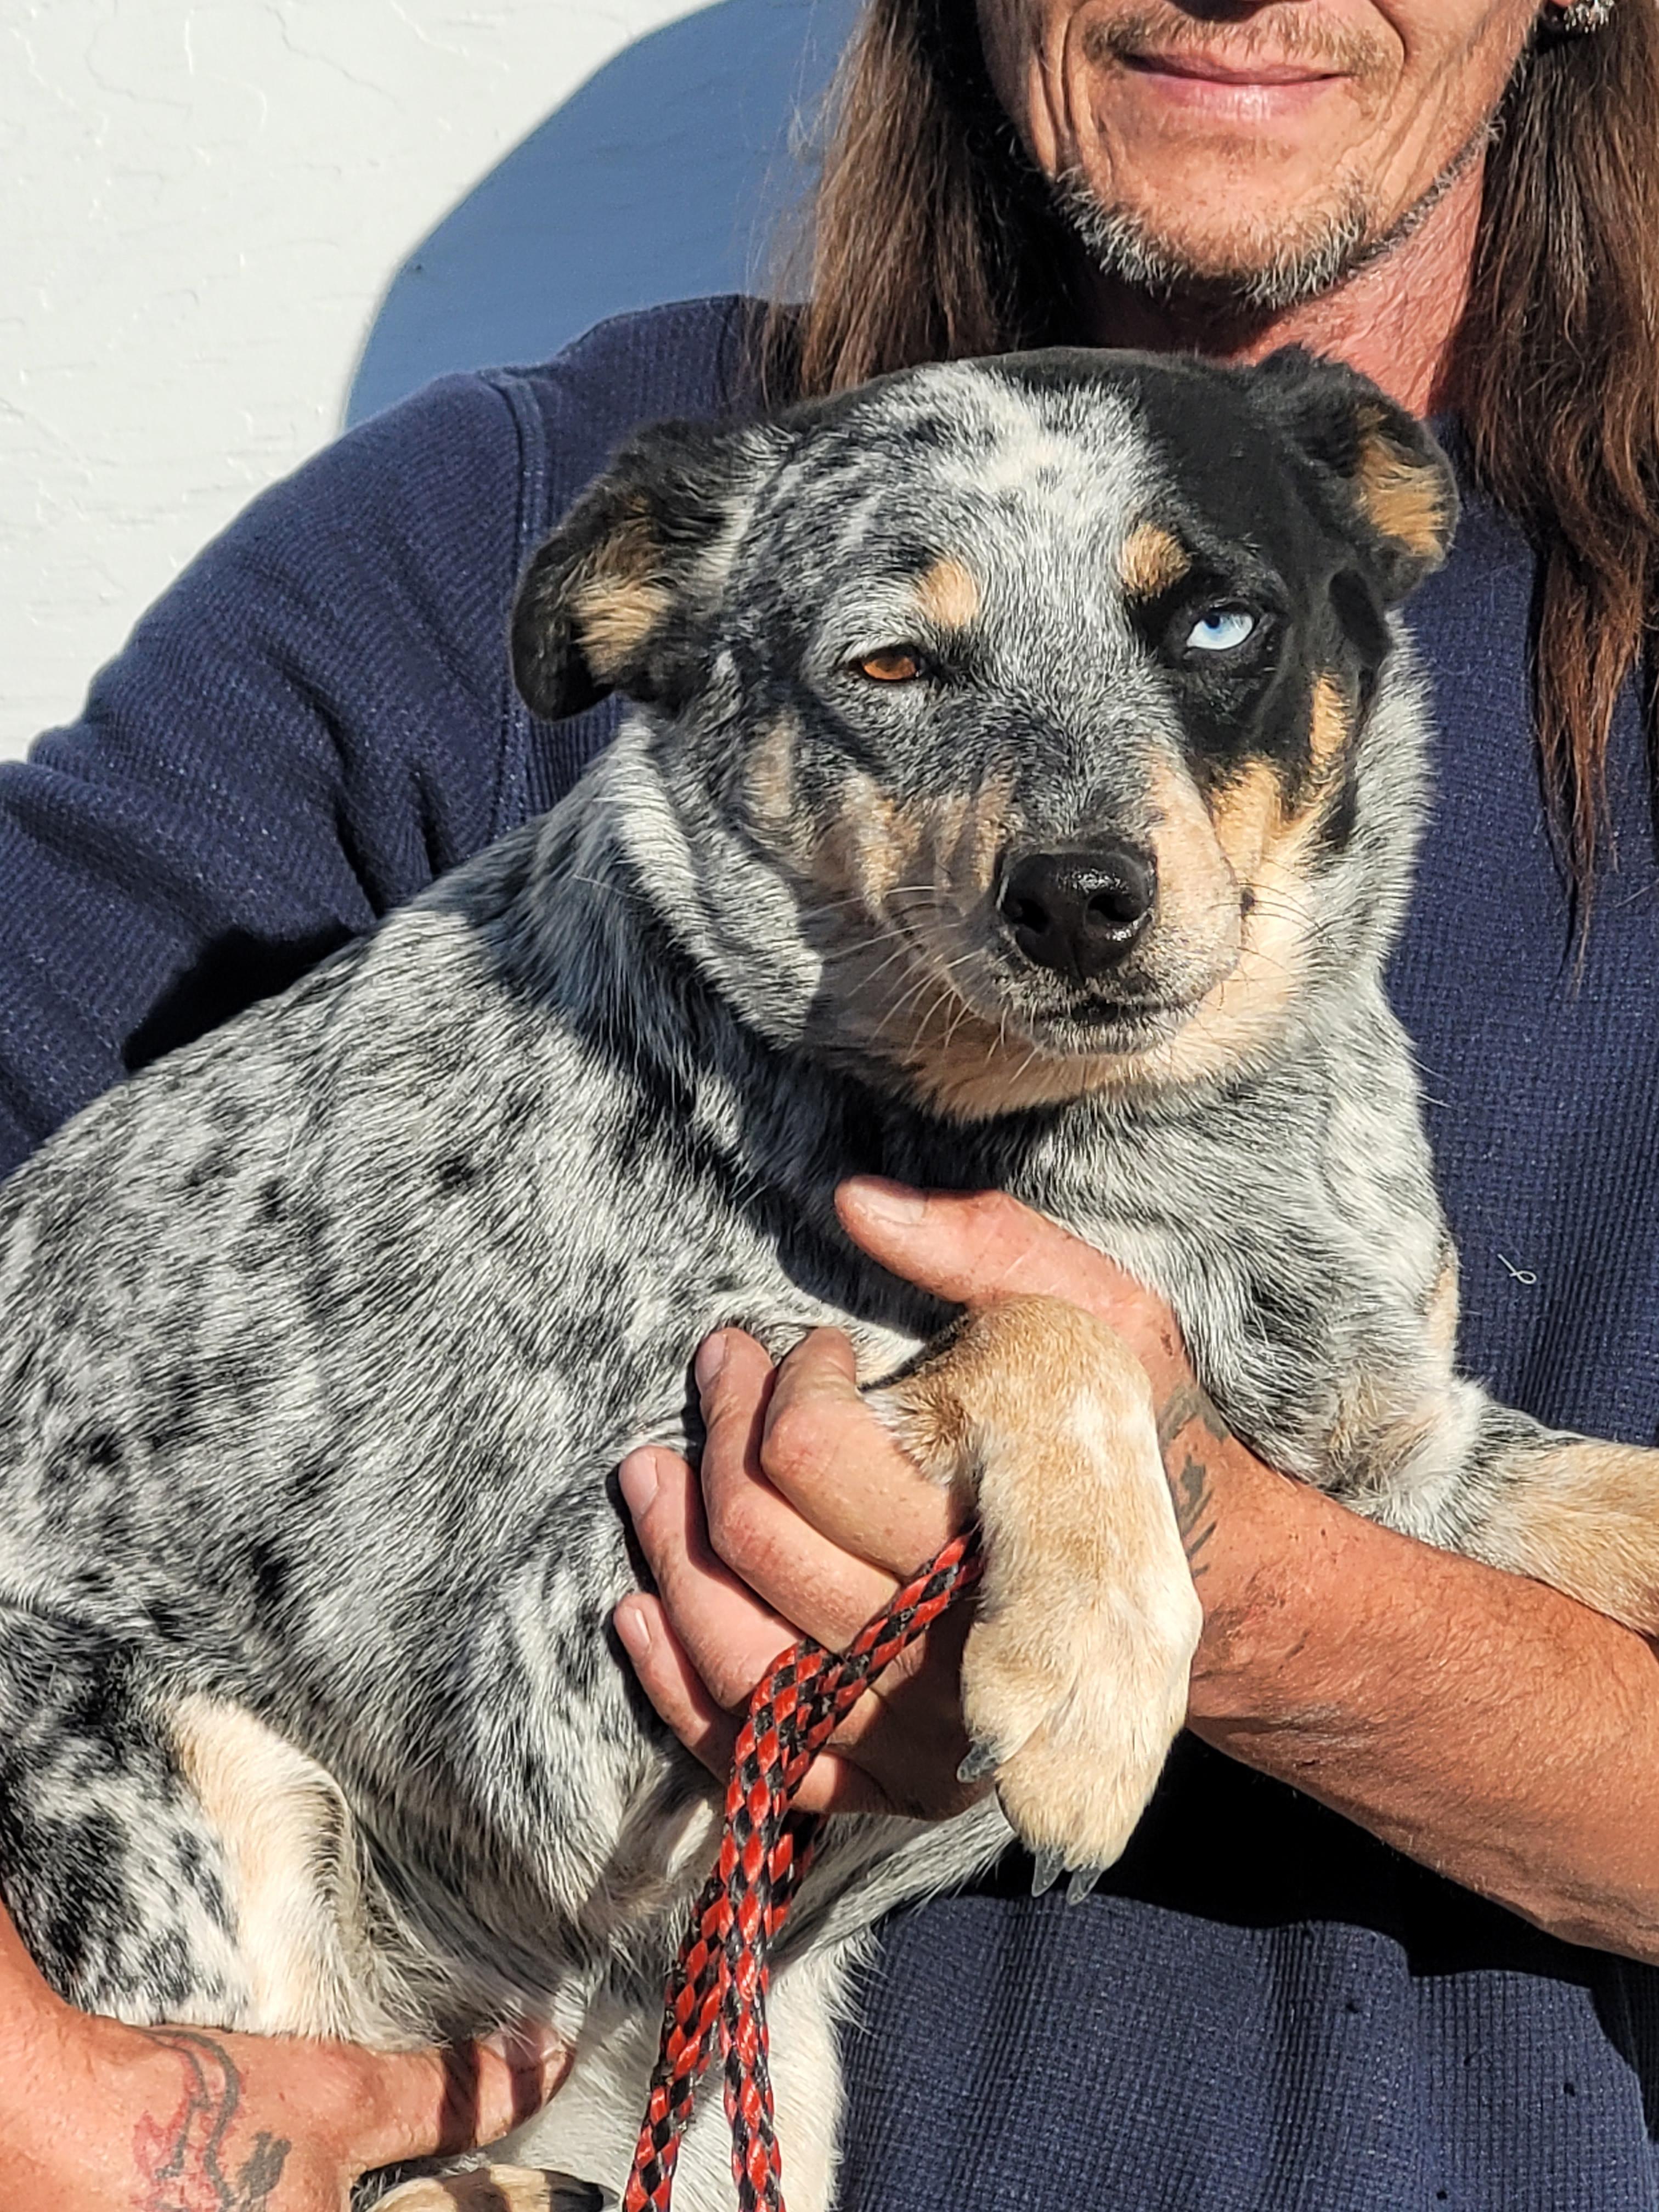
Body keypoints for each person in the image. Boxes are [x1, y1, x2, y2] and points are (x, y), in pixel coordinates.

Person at [3, 0, 1659, 2204]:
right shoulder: (496, 542)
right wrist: (82, 2112)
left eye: (1204, 638)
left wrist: (1250, 1592)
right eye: (903, 666)